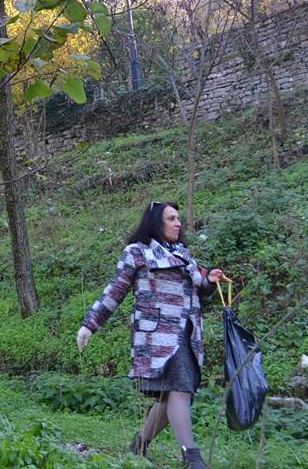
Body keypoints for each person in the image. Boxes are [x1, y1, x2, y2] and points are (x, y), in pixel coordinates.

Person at [77, 201, 228, 469]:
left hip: (187, 335)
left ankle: (140, 443)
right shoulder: (136, 252)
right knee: (180, 391)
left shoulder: (183, 253)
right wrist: (90, 324)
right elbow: (115, 291)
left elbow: (198, 289)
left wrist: (208, 281)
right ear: (155, 221)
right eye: (171, 218)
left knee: (171, 396)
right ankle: (192, 457)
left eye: (178, 218)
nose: (178, 223)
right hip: (157, 336)